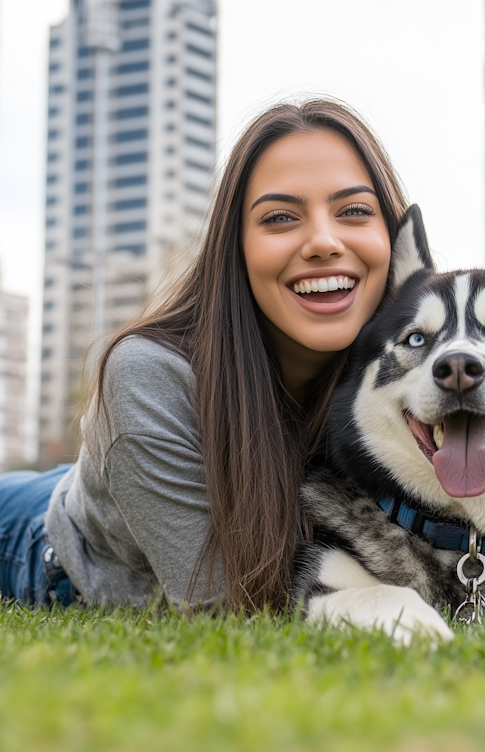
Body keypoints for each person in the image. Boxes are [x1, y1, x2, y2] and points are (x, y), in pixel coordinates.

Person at [0, 99, 408, 612]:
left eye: (353, 211)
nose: (324, 241)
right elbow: (225, 609)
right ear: (235, 247)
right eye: (280, 218)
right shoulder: (147, 376)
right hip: (32, 539)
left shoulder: (414, 372)